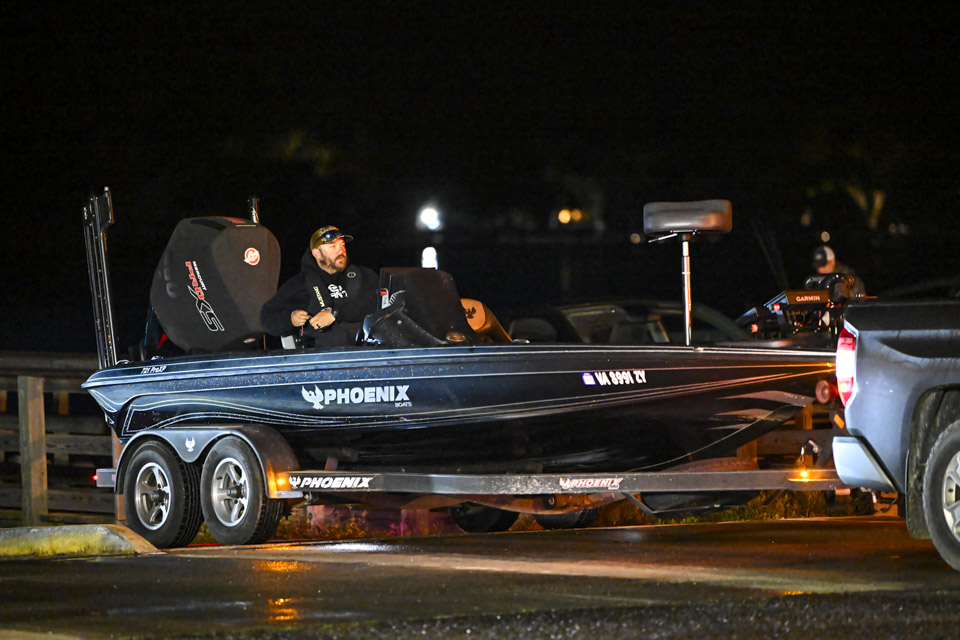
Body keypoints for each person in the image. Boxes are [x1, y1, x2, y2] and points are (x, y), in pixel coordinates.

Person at [260, 226, 380, 347]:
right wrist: (291, 319)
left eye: (342, 245)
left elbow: (378, 305)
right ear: (317, 254)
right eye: (332, 246)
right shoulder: (300, 283)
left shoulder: (365, 276)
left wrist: (335, 314)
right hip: (320, 354)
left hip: (365, 350)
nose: (341, 251)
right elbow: (267, 317)